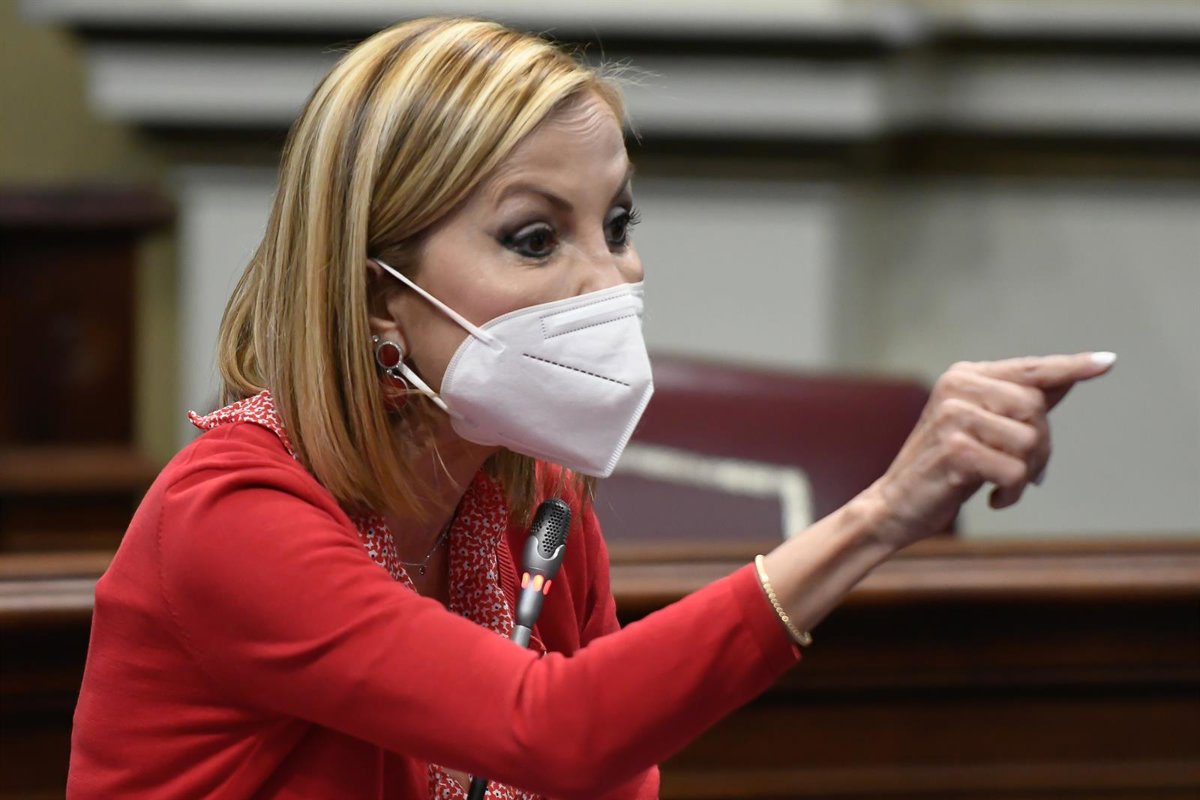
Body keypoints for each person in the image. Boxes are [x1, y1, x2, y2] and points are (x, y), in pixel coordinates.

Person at [66, 16, 1116, 800]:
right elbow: (551, 730)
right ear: (378, 291)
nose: (611, 279)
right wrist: (882, 513)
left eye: (615, 224)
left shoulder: (537, 494)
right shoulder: (231, 514)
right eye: (535, 238)